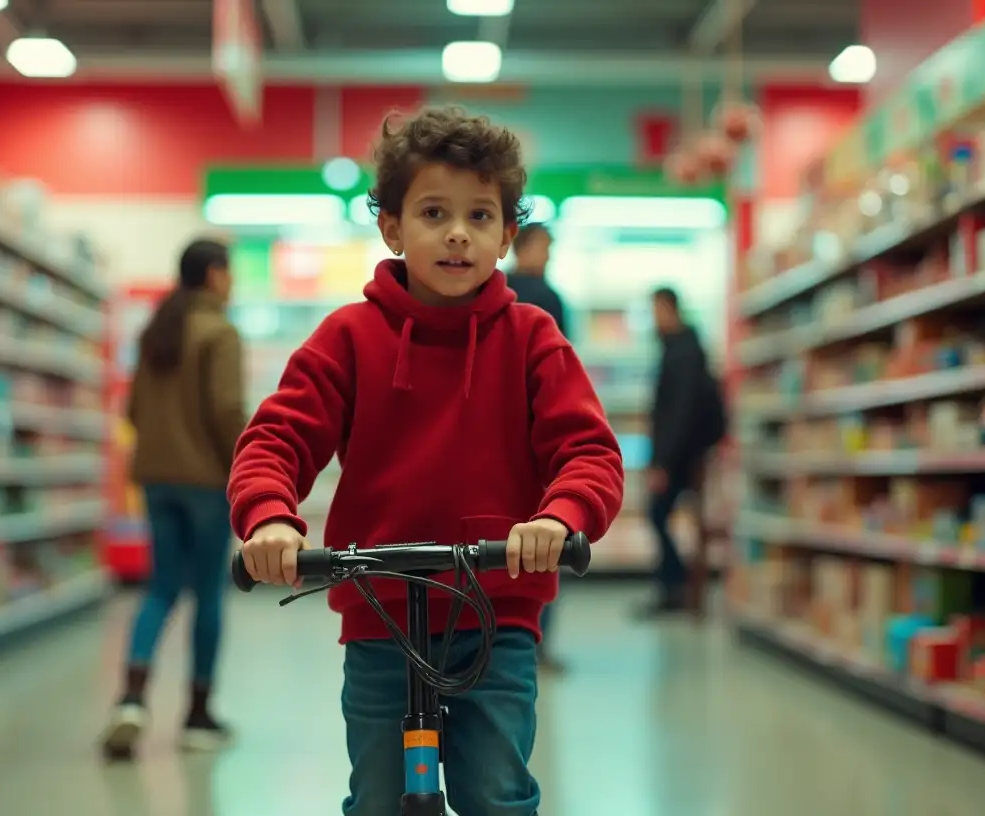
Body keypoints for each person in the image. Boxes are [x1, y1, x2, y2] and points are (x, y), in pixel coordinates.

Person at [230, 107, 625, 815]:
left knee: (495, 793)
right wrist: (269, 519)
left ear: (507, 234)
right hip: (382, 620)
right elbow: (277, 438)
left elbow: (587, 450)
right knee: (377, 797)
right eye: (434, 212)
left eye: (480, 217)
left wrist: (559, 518)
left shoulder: (533, 338)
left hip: (496, 616)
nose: (456, 233)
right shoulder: (349, 337)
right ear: (391, 227)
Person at [100, 238, 246, 759]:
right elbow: (228, 411)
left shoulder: (156, 329)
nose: (232, 283)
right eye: (229, 273)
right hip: (206, 482)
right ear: (212, 274)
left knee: (160, 587)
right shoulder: (220, 332)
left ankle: (131, 701)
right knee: (208, 592)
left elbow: (134, 410)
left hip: (156, 481)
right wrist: (250, 469)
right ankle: (197, 715)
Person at [506, 222, 569, 673]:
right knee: (546, 542)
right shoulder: (547, 299)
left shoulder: (494, 290)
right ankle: (535, 641)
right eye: (544, 247)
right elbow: (563, 375)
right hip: (536, 442)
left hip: (502, 439)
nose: (548, 255)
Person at [642, 286, 727, 617]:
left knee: (658, 513)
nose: (653, 318)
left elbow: (679, 411)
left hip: (683, 456)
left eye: (655, 310)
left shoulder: (683, 352)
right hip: (684, 453)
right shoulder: (681, 347)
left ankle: (674, 586)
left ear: (668, 308)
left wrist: (663, 460)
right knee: (663, 516)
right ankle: (673, 585)